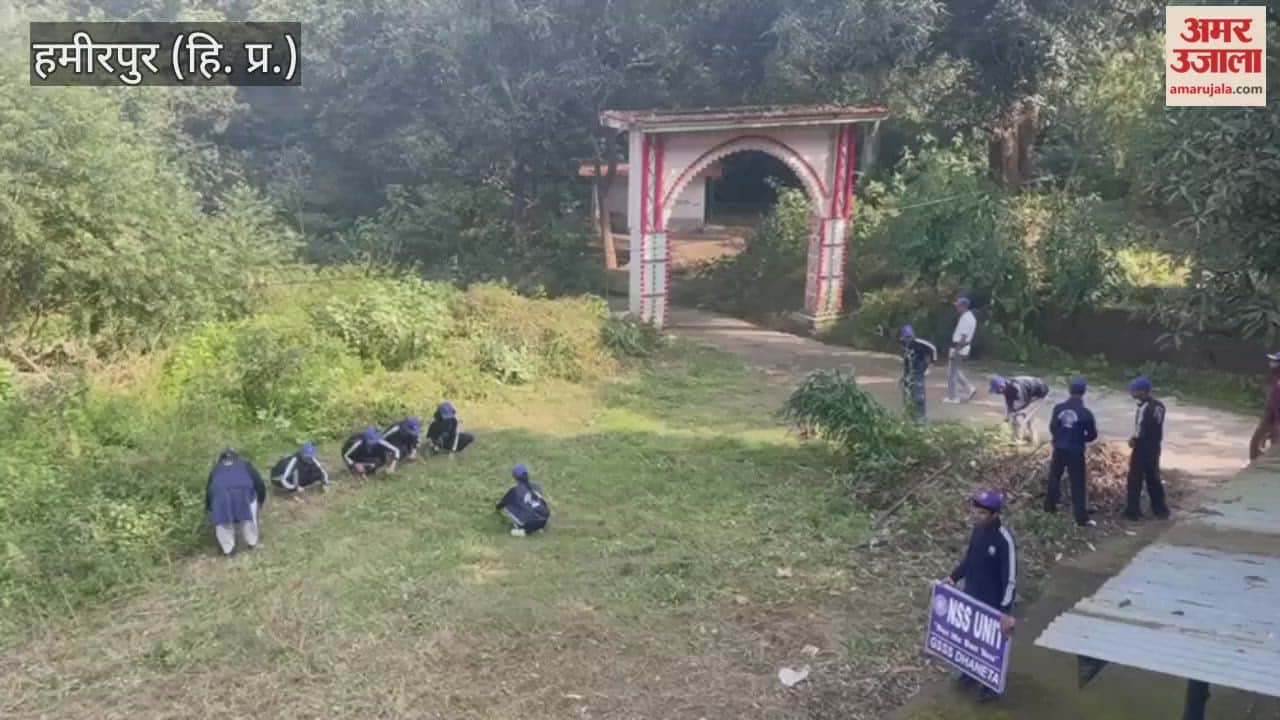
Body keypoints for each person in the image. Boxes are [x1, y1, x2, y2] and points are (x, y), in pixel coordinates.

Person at [944, 489, 1017, 703]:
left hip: (993, 602)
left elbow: (1010, 578)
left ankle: (989, 686)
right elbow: (970, 559)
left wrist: (1006, 612)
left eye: (982, 513)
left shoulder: (1004, 540)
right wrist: (953, 577)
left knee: (992, 644)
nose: (977, 516)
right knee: (970, 639)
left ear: (994, 515)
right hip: (972, 595)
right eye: (975, 511)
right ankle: (969, 674)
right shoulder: (977, 530)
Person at [1047, 377, 1098, 527]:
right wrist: (1081, 438)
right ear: (1084, 392)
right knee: (1077, 483)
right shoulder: (1086, 413)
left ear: (1069, 390)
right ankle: (1081, 517)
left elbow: (1053, 428)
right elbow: (1092, 435)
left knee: (1054, 478)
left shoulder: (1058, 408)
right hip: (1076, 451)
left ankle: (1049, 507)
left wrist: (1059, 437)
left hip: (1059, 448)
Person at [205, 448, 267, 555]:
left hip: (220, 494)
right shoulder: (245, 465)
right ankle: (252, 542)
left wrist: (209, 507)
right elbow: (259, 483)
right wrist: (261, 499)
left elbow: (209, 489)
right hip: (244, 492)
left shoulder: (216, 469)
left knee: (223, 521)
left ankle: (228, 549)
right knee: (248, 518)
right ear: (237, 457)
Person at [1124, 377, 1170, 521]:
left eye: (1134, 390)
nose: (1132, 393)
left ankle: (1132, 510)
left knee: (1134, 479)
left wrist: (1134, 440)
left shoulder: (1144, 408)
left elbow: (1141, 428)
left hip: (1142, 447)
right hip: (1155, 446)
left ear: (1143, 392)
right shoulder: (1160, 406)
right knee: (1153, 477)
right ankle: (1160, 509)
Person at [990, 375, 1050, 444]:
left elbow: (1021, 407)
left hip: (1040, 395)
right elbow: (1009, 404)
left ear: (1001, 387)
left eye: (996, 391)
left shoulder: (1016, 388)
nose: (997, 393)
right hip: (1030, 393)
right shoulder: (1006, 388)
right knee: (1019, 417)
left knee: (1021, 418)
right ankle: (1030, 439)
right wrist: (1007, 418)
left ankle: (1019, 441)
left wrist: (1013, 416)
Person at [496, 463, 550, 537]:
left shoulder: (514, 490)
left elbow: (501, 505)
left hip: (530, 522)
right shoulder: (536, 486)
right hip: (544, 520)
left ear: (515, 477)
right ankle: (537, 529)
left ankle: (519, 530)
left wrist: (496, 509)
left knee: (507, 507)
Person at [899, 324, 938, 419]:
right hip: (908, 369)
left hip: (920, 368)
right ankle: (909, 413)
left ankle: (921, 416)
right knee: (907, 390)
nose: (908, 339)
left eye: (910, 337)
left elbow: (933, 349)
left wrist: (931, 363)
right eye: (906, 337)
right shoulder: (902, 344)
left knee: (918, 393)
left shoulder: (920, 343)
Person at [944, 296, 978, 404]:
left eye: (958, 306)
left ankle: (953, 397)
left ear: (963, 306)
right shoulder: (967, 317)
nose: (957, 308)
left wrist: (956, 351)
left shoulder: (967, 318)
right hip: (960, 346)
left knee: (952, 373)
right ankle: (969, 388)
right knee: (955, 371)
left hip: (959, 347)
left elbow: (963, 337)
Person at [1248, 351, 1280, 461]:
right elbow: (1270, 399)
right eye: (1273, 361)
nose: (1273, 363)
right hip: (1271, 414)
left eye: (1276, 362)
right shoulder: (1273, 378)